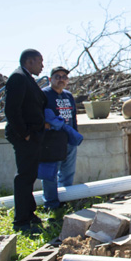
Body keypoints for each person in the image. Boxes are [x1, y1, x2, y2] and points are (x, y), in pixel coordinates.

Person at [4, 49, 46, 233]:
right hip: (25, 136)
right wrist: (25, 134)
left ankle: (29, 213)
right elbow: (12, 110)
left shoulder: (27, 77)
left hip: (33, 135)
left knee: (30, 176)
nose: (42, 66)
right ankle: (21, 220)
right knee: (24, 177)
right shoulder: (18, 78)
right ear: (29, 62)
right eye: (40, 62)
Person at [41, 66, 81, 210]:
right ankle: (51, 203)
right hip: (52, 140)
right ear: (51, 79)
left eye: (64, 77)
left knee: (68, 171)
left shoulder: (68, 95)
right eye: (57, 76)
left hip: (69, 138)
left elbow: (73, 116)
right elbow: (38, 115)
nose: (61, 79)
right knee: (50, 173)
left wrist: (75, 134)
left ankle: (64, 198)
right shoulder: (44, 94)